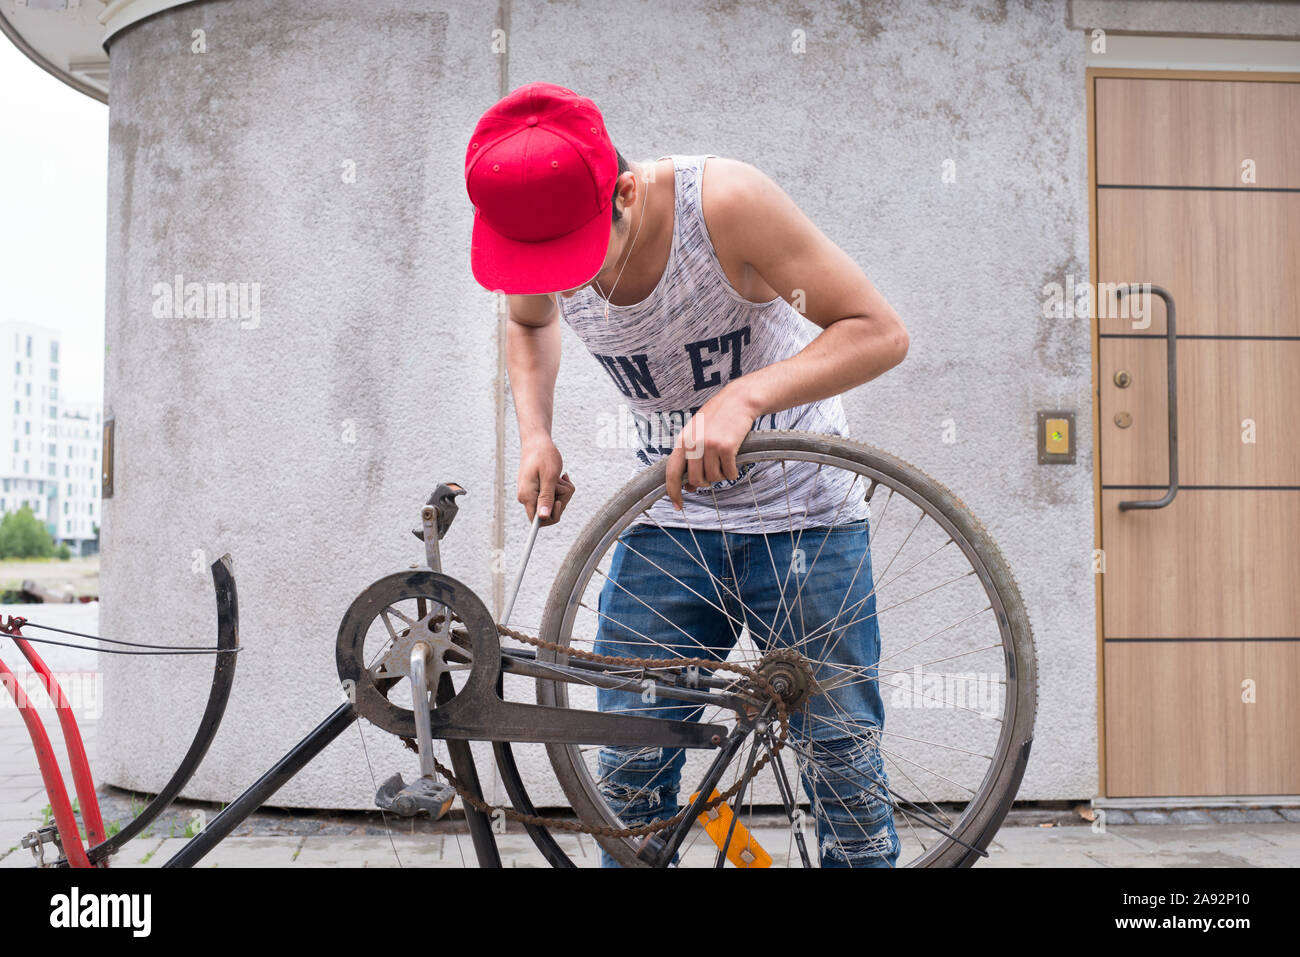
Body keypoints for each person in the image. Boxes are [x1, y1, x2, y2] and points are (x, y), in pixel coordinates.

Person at [464, 82, 909, 867]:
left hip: (805, 517)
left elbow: (879, 331)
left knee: (843, 763)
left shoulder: (727, 205)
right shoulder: (544, 231)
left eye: (572, 256)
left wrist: (748, 394)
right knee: (628, 768)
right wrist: (537, 432)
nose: (563, 280)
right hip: (671, 523)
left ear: (624, 192)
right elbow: (529, 325)